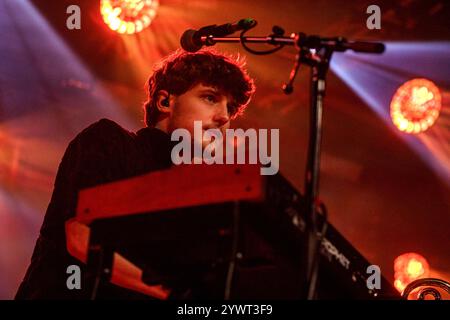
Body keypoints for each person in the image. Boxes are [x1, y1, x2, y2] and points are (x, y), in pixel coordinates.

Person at [15, 48, 255, 299]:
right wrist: (170, 295)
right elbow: (80, 237)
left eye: (232, 108)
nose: (224, 116)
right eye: (210, 97)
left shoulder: (193, 193)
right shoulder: (108, 139)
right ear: (164, 102)